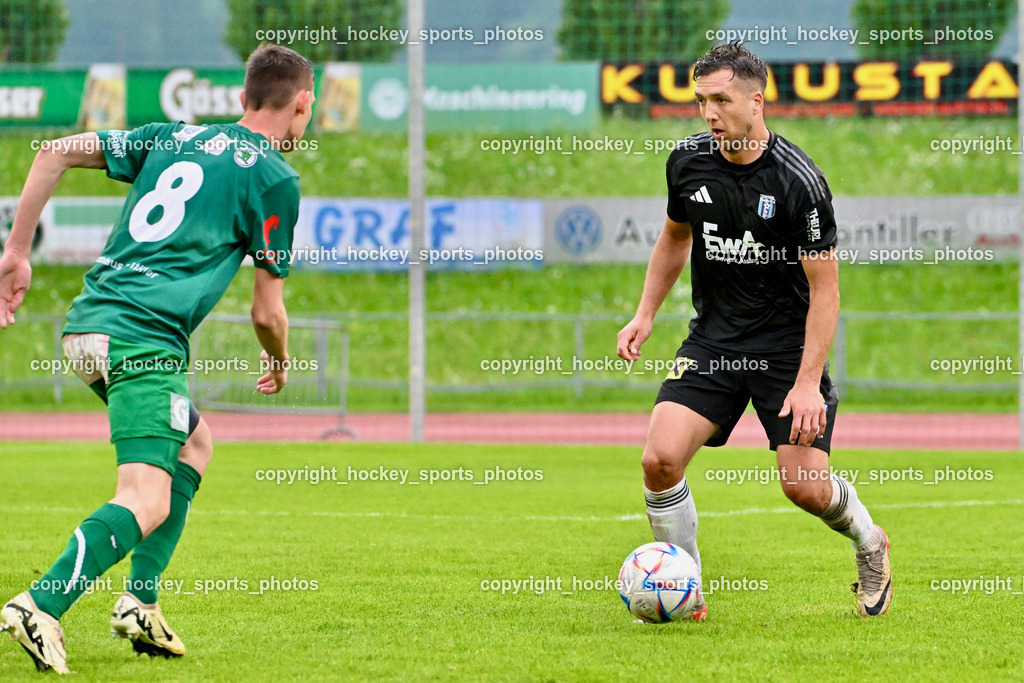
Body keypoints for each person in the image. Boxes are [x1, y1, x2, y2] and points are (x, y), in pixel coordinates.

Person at [0, 44, 314, 673]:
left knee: (195, 448)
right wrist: (280, 359)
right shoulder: (275, 178)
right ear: (302, 105)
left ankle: (139, 602)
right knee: (147, 497)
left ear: (242, 98)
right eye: (309, 111)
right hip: (144, 339)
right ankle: (40, 604)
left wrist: (16, 252)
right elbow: (266, 312)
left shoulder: (173, 136)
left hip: (87, 328)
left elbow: (52, 152)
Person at [616, 42, 891, 620]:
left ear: (756, 101)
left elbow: (826, 291)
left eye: (720, 99)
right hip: (713, 343)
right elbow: (674, 237)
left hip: (786, 353)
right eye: (700, 101)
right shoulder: (688, 162)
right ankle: (686, 592)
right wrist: (644, 314)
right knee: (658, 461)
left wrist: (808, 382)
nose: (708, 113)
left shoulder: (800, 184)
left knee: (805, 490)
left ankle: (871, 542)